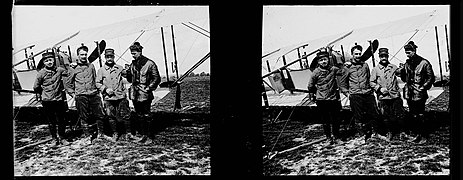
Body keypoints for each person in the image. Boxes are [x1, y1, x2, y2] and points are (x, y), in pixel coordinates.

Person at [66, 45, 112, 143]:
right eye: (81, 54)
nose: (84, 56)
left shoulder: (91, 66)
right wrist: (73, 95)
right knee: (84, 116)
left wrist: (98, 92)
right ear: (77, 56)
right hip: (81, 95)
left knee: (100, 114)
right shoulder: (72, 68)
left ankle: (101, 134)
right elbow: (68, 84)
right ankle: (87, 137)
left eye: (85, 54)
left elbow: (95, 79)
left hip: (93, 94)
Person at [339, 44, 382, 144]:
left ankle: (375, 133)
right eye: (356, 54)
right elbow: (342, 83)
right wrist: (347, 94)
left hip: (367, 93)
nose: (358, 56)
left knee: (374, 114)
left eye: (359, 54)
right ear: (352, 54)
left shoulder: (365, 65)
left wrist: (371, 90)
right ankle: (362, 136)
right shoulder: (347, 67)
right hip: (355, 94)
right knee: (358, 116)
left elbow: (368, 78)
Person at [396, 41, 435, 144]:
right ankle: (418, 134)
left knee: (421, 114)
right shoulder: (407, 63)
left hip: (419, 93)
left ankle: (424, 135)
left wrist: (424, 87)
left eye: (409, 52)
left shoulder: (424, 63)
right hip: (409, 93)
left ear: (414, 51)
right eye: (406, 53)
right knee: (414, 115)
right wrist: (401, 72)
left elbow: (431, 77)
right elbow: (405, 79)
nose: (407, 54)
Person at [96, 48, 139, 142]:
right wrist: (105, 89)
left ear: (114, 57)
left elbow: (128, 76)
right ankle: (115, 133)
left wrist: (129, 71)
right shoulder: (101, 70)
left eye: (111, 56)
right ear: (105, 58)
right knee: (111, 116)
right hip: (109, 97)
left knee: (126, 115)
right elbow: (97, 83)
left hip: (120, 96)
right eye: (107, 57)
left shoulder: (119, 68)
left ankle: (129, 133)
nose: (109, 58)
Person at [124, 42, 161, 145]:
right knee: (139, 115)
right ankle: (143, 135)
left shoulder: (149, 63)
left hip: (145, 94)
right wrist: (127, 73)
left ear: (140, 52)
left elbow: (156, 78)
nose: (133, 55)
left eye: (134, 53)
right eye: (131, 53)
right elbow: (130, 79)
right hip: (135, 94)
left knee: (147, 115)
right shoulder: (133, 64)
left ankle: (149, 136)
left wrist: (149, 88)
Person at [33, 52, 70, 146]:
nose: (49, 62)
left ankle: (62, 137)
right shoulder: (41, 73)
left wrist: (70, 66)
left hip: (59, 99)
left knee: (61, 119)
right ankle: (54, 139)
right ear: (44, 62)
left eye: (50, 60)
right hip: (47, 101)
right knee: (51, 121)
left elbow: (69, 73)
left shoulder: (59, 70)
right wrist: (45, 93)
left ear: (54, 60)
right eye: (46, 61)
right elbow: (36, 87)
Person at [370, 48, 406, 141]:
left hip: (394, 95)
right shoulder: (375, 69)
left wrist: (402, 70)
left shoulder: (393, 67)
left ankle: (402, 132)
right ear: (379, 57)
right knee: (386, 116)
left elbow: (400, 75)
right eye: (382, 56)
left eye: (385, 56)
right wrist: (379, 88)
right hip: (383, 97)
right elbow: (371, 82)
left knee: (400, 114)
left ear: (388, 56)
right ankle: (389, 132)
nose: (384, 58)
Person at [307, 49, 343, 145]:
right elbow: (310, 85)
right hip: (322, 100)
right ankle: (328, 138)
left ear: (328, 60)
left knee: (336, 119)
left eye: (325, 59)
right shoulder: (315, 72)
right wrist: (315, 93)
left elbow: (342, 72)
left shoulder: (333, 69)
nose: (323, 61)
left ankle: (337, 137)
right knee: (325, 120)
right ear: (318, 62)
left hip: (333, 99)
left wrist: (345, 65)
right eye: (321, 60)